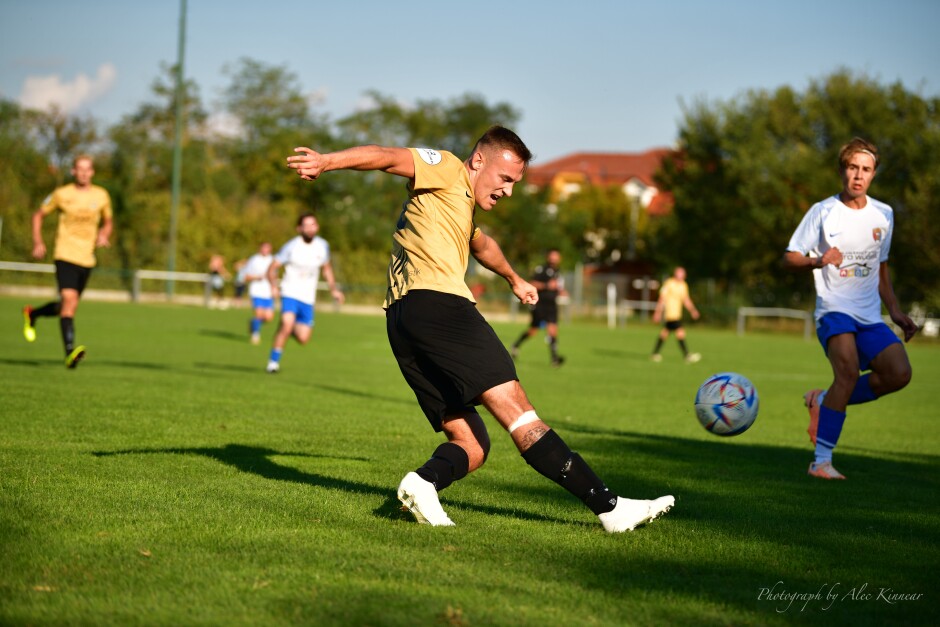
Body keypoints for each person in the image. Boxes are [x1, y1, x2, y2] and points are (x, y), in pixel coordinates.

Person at [286, 126, 674, 532]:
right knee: (520, 413)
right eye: (505, 179)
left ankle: (422, 484)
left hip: (401, 320)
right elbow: (387, 155)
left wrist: (514, 279)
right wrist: (327, 161)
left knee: (472, 443)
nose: (508, 191)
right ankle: (611, 509)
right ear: (478, 161)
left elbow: (482, 245)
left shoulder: (456, 206)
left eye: (515, 183)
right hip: (439, 305)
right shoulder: (448, 168)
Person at [783, 137, 917, 480]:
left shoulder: (884, 214)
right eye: (853, 167)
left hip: (870, 314)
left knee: (899, 373)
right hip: (834, 309)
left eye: (866, 169)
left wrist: (896, 311)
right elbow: (790, 256)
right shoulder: (823, 211)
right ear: (842, 170)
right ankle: (821, 462)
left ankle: (824, 400)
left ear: (873, 175)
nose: (859, 175)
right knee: (848, 372)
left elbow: (881, 269)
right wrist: (818, 260)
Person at [22, 154, 113, 368]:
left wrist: (104, 234)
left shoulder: (101, 195)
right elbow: (38, 215)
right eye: (79, 169)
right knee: (69, 302)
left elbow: (108, 221)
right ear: (73, 171)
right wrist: (37, 241)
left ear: (92, 172)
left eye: (87, 169)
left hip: (87, 259)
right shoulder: (62, 194)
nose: (83, 172)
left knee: (66, 306)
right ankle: (70, 354)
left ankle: (32, 313)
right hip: (65, 254)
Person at [265, 214, 344, 373]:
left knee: (303, 339)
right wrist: (273, 286)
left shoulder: (323, 246)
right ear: (299, 228)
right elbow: (271, 269)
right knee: (286, 325)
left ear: (317, 227)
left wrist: (334, 290)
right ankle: (273, 363)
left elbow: (326, 269)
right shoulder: (291, 247)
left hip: (308, 298)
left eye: (313, 224)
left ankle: (288, 326)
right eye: (306, 225)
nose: (310, 228)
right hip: (290, 292)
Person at [510, 248, 567, 367]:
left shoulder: (558, 272)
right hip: (540, 304)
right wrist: (547, 285)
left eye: (556, 257)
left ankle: (554, 358)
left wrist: (562, 291)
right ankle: (516, 345)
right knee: (533, 331)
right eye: (552, 256)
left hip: (552, 305)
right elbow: (532, 283)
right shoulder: (542, 270)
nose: (554, 259)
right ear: (548, 257)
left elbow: (557, 287)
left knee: (553, 331)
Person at [651, 267, 701, 363]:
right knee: (680, 332)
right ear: (675, 274)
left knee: (664, 333)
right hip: (670, 314)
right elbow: (662, 298)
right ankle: (687, 355)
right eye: (679, 274)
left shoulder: (683, 285)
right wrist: (658, 312)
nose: (681, 276)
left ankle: (655, 353)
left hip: (677, 314)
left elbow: (686, 300)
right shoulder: (669, 283)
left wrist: (693, 310)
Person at [242, 242, 275, 344]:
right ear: (260, 249)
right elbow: (246, 276)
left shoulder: (272, 260)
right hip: (256, 291)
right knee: (259, 314)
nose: (266, 250)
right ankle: (255, 334)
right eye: (264, 248)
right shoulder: (254, 260)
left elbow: (274, 276)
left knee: (268, 317)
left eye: (268, 248)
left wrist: (275, 288)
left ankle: (253, 323)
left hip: (268, 292)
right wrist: (256, 277)